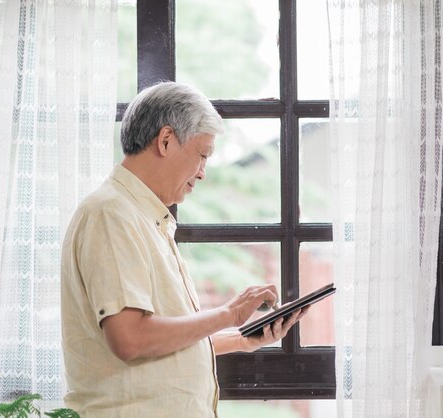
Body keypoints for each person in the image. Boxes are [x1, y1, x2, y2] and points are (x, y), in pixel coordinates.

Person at [60, 81, 305, 417]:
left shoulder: (143, 218)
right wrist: (228, 314)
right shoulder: (112, 214)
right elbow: (130, 339)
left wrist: (239, 338)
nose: (203, 173)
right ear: (165, 140)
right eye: (202, 154)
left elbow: (156, 348)